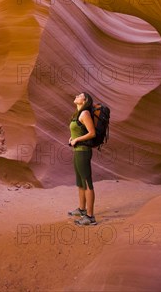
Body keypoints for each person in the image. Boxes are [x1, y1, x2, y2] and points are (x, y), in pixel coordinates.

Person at [68, 92, 97, 225]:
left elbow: (92, 133)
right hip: (78, 151)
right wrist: (72, 138)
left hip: (83, 152)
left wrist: (77, 139)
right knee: (80, 182)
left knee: (87, 183)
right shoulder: (78, 114)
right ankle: (82, 209)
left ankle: (90, 217)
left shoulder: (85, 114)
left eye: (79, 95)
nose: (76, 96)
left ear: (84, 101)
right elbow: (80, 130)